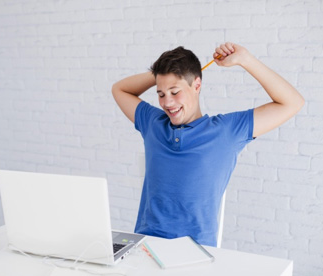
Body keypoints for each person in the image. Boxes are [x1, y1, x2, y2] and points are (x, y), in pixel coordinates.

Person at [111, 42, 304, 246]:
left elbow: (292, 102)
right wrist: (161, 75)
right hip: (145, 245)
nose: (167, 103)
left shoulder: (226, 131)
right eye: (161, 94)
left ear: (197, 85)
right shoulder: (153, 124)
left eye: (175, 92)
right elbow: (119, 89)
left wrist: (246, 60)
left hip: (195, 251)